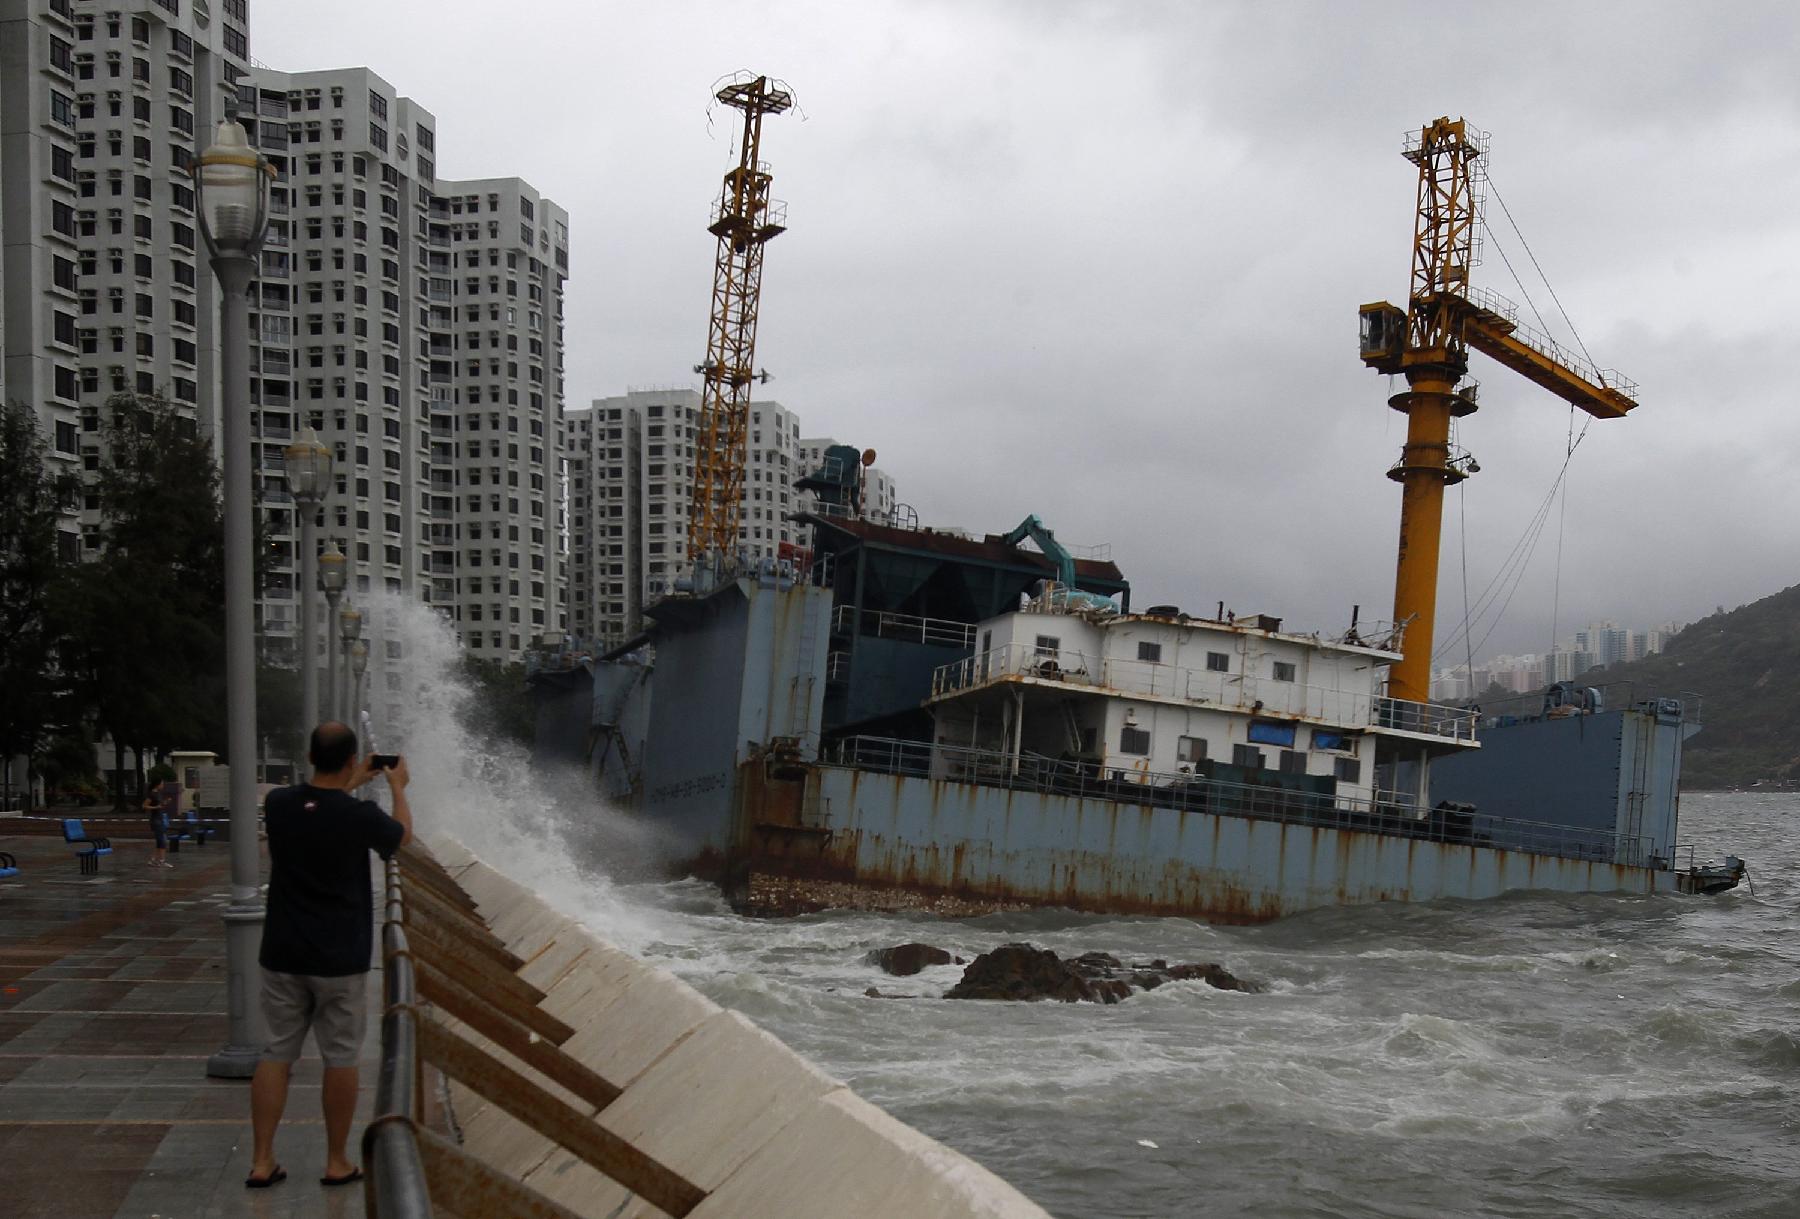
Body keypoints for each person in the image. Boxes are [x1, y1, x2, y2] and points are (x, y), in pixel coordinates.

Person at [245, 720, 411, 1190]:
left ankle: (261, 1160)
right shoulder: (358, 817)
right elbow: (402, 838)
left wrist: (349, 780)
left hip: (283, 951)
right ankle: (336, 1160)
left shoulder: (279, 805)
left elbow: (319, 803)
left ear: (311, 756)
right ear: (351, 759)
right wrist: (396, 788)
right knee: (340, 1058)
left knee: (277, 1053)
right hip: (339, 956)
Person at [143, 788, 170, 868]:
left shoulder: (158, 795)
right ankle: (160, 860)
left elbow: (160, 806)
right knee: (162, 840)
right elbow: (145, 806)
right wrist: (156, 807)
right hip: (156, 821)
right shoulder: (152, 795)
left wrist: (165, 803)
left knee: (161, 841)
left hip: (160, 820)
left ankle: (154, 860)